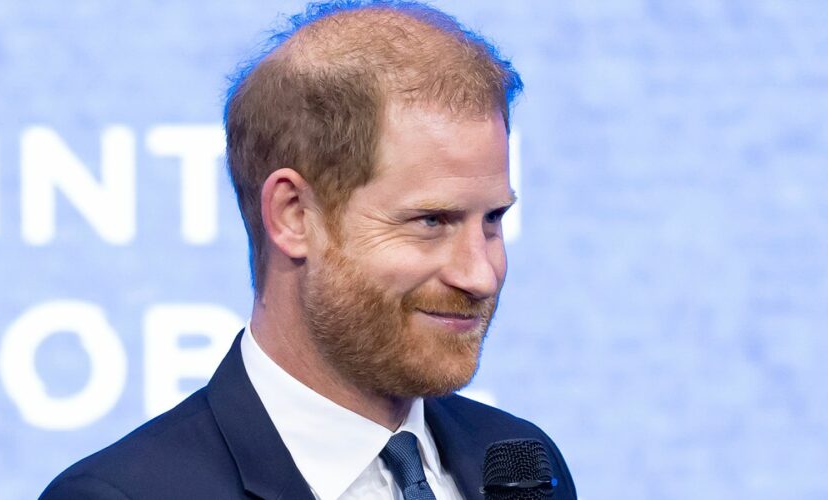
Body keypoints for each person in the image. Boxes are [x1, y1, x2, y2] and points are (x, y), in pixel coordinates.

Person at [41, 1, 576, 499]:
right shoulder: (125, 494)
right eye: (431, 221)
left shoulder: (518, 466)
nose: (480, 275)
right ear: (293, 215)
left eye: (493, 220)